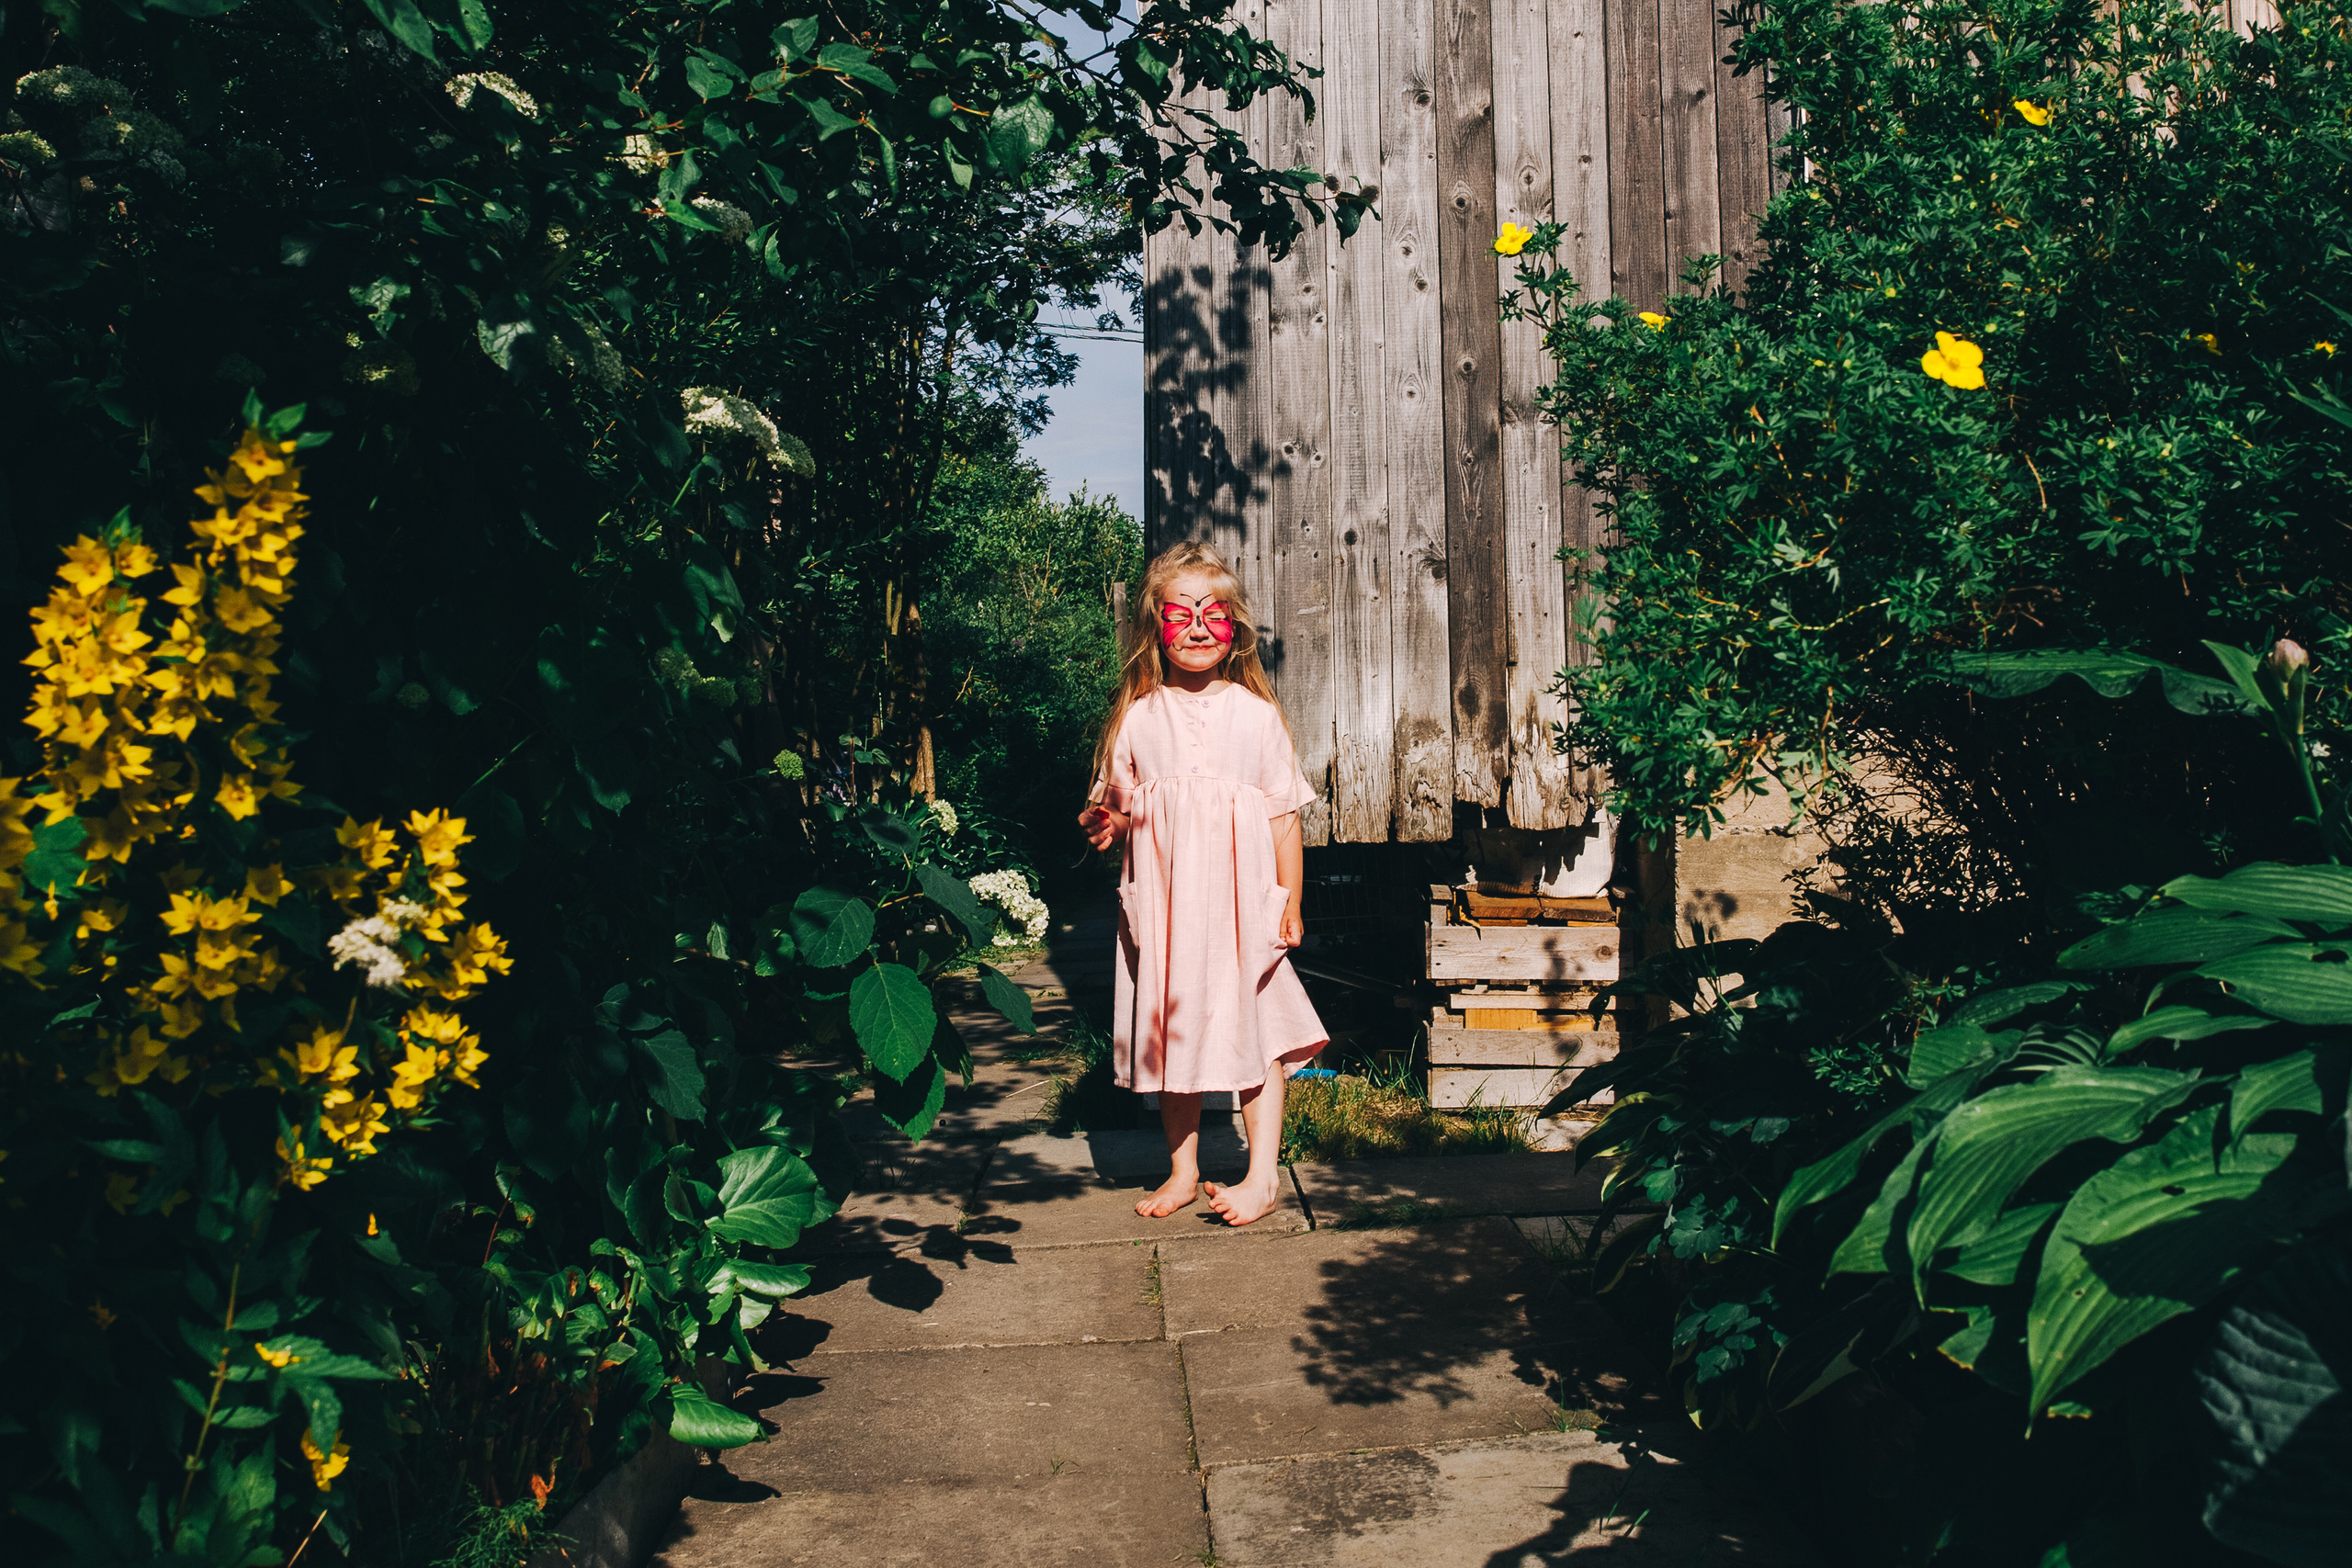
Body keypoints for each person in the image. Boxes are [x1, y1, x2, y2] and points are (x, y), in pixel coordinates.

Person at [1076, 541, 1327, 1226]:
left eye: (1211, 613)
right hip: (1167, 914)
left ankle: (1261, 1174)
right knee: (1172, 1037)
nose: (1194, 627)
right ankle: (1183, 1168)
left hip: (1243, 909)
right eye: (1179, 613)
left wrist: (1292, 900)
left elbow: (1282, 819)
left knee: (1258, 1033)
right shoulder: (1140, 717)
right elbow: (1121, 812)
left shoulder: (1255, 717)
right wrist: (1107, 823)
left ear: (1235, 628)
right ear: (1155, 624)